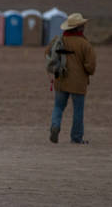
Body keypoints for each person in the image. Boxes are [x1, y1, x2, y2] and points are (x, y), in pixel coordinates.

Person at [45, 12, 97, 144]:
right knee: (78, 111)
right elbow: (91, 67)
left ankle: (55, 126)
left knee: (58, 107)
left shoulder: (59, 40)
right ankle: (76, 138)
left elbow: (47, 53)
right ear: (79, 27)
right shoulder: (85, 44)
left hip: (61, 80)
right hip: (78, 84)